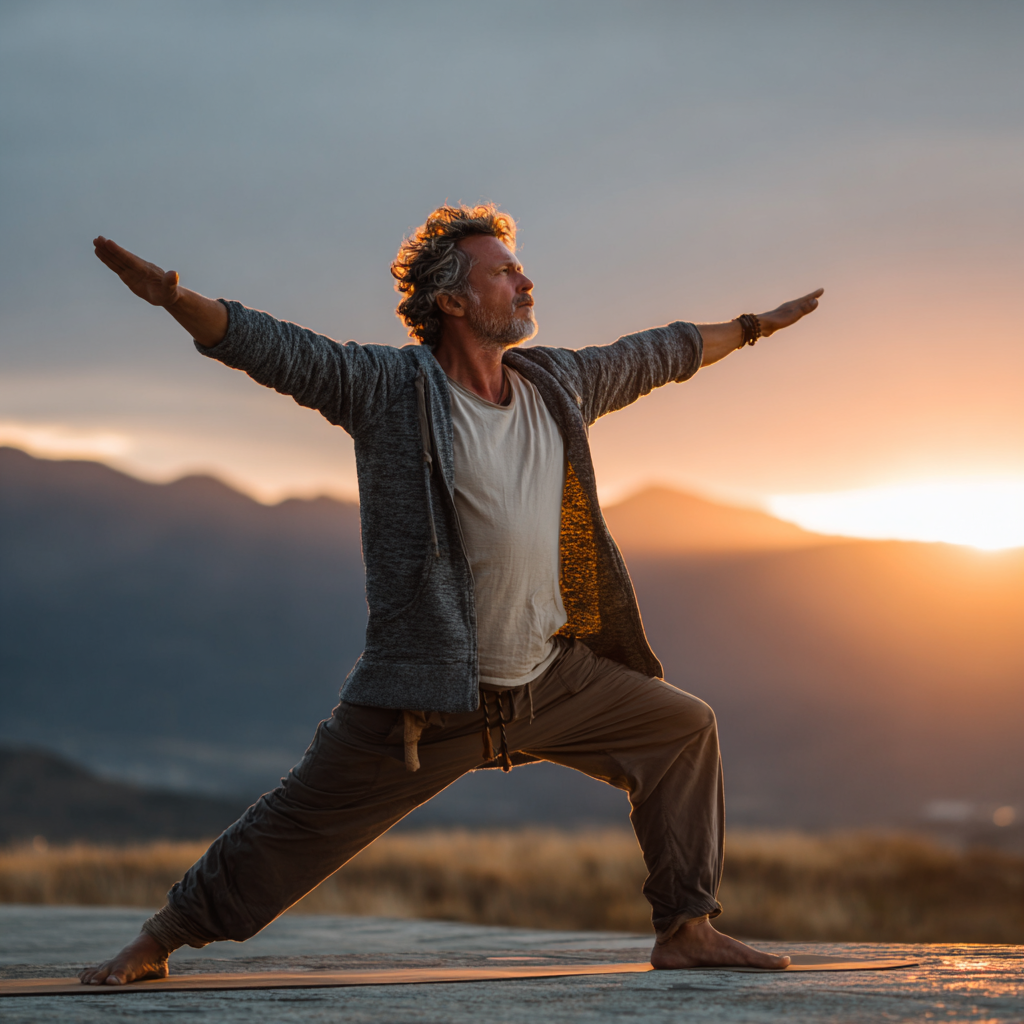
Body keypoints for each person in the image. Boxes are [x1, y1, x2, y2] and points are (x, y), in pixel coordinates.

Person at [81, 204, 822, 985]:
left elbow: (657, 352)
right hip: (429, 699)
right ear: (452, 301)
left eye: (520, 267)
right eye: (503, 272)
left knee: (682, 728)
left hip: (552, 680)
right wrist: (177, 299)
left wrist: (751, 327)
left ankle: (687, 929)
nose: (525, 281)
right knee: (298, 824)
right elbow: (279, 350)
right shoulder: (390, 390)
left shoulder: (558, 385)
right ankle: (159, 940)